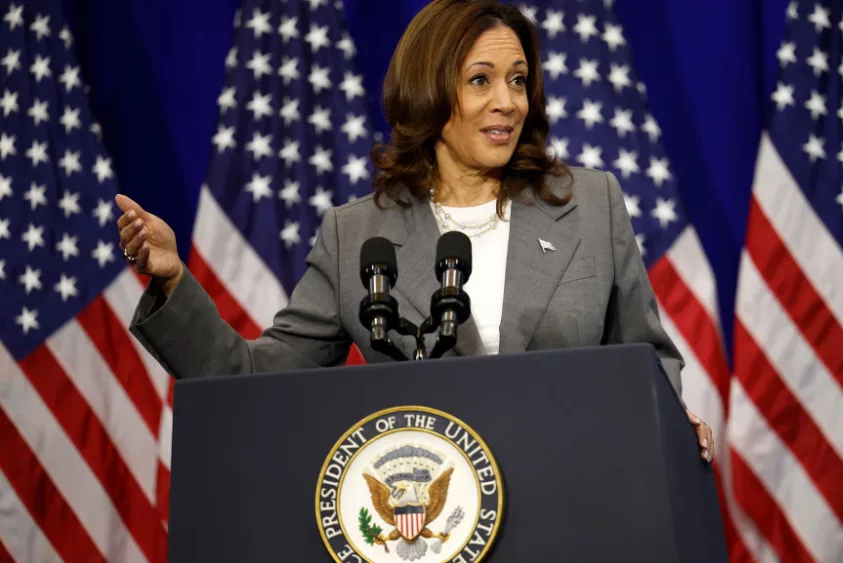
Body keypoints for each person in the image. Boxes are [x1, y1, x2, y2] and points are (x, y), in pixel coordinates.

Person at [115, 0, 714, 463]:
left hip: (579, 500)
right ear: (429, 89)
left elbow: (647, 358)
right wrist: (173, 285)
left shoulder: (590, 203)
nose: (507, 102)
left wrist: (668, 418)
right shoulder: (356, 235)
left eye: (517, 79)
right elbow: (255, 382)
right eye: (481, 80)